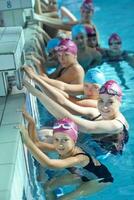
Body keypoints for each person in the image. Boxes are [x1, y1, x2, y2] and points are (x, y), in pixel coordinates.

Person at [23, 79, 129, 157]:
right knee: (43, 133)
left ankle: (45, 175)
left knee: (44, 139)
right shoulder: (97, 112)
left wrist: (38, 94)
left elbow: (77, 123)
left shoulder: (116, 125)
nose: (104, 107)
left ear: (120, 102)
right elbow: (64, 103)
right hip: (88, 142)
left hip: (98, 155)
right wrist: (36, 79)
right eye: (101, 101)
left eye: (110, 102)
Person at [20, 117, 113, 200]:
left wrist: (27, 142)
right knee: (47, 187)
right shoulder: (63, 148)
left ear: (74, 140)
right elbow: (37, 144)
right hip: (82, 175)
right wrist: (31, 122)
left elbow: (50, 164)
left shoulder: (80, 158)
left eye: (65, 140)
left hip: (100, 180)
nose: (60, 144)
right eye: (56, 139)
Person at [23, 67, 105, 110]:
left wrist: (35, 79)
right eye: (86, 86)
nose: (89, 90)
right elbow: (63, 86)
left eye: (95, 87)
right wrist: (36, 76)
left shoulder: (97, 103)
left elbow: (64, 100)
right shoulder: (88, 90)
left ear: (102, 88)